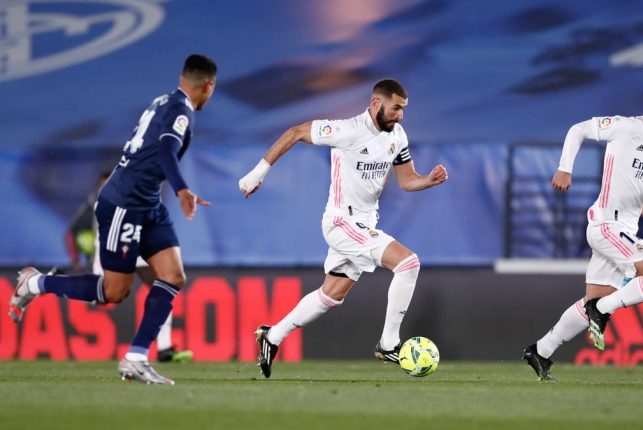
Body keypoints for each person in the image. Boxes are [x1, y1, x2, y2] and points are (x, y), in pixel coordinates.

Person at [9, 54, 216, 384]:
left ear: (182, 77)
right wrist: (181, 189)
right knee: (113, 292)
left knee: (173, 276)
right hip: (125, 203)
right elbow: (165, 150)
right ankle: (34, 283)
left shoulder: (165, 100)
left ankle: (135, 358)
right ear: (209, 86)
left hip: (147, 203)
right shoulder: (181, 112)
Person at [238, 79, 448, 378]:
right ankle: (389, 344)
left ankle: (272, 336)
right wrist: (258, 173)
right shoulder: (347, 130)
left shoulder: (397, 135)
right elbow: (295, 132)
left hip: (364, 223)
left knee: (332, 295)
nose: (400, 115)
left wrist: (428, 180)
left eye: (403, 109)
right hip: (342, 222)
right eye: (396, 108)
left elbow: (407, 180)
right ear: (376, 103)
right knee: (408, 263)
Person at [522, 76, 643, 381]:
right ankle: (603, 311)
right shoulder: (624, 127)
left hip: (625, 229)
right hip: (606, 224)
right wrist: (565, 168)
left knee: (591, 302)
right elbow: (578, 129)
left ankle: (541, 350)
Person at [66, 172, 194, 363]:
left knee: (163, 286)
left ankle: (165, 347)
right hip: (112, 244)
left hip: (137, 238)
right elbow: (72, 232)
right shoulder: (96, 203)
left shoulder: (138, 190)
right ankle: (49, 283)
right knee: (103, 296)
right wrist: (78, 259)